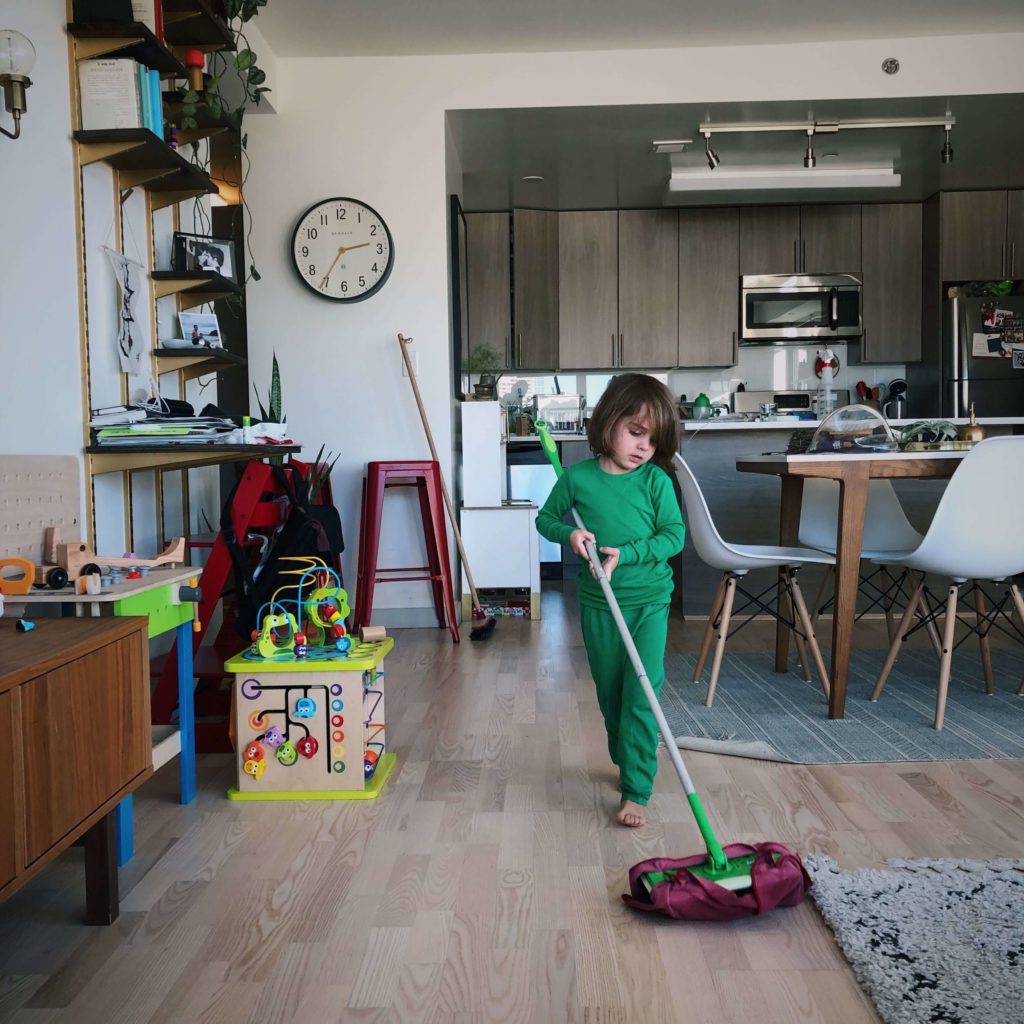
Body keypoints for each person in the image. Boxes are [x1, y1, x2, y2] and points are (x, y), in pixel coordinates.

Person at [537, 374, 684, 828]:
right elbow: (545, 520)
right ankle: (625, 756)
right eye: (636, 433)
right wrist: (571, 534)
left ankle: (637, 787)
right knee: (611, 692)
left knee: (642, 690)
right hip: (599, 604)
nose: (643, 447)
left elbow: (674, 536)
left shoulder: (655, 481)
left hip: (650, 601)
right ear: (608, 422)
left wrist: (631, 553)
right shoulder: (577, 479)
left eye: (653, 440)